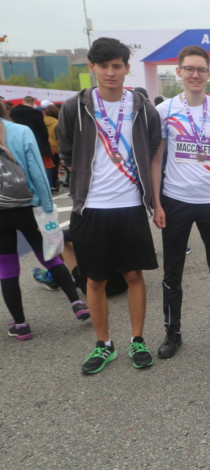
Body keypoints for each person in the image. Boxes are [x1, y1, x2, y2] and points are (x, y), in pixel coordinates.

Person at [58, 37, 162, 374]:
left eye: (117, 66)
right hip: (90, 207)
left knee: (133, 274)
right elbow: (67, 151)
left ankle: (137, 340)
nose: (110, 72)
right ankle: (104, 344)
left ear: (127, 68)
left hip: (130, 205)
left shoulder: (142, 108)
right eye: (103, 66)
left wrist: (155, 201)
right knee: (95, 279)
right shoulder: (75, 107)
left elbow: (152, 149)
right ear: (92, 67)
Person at [152, 45, 210, 359]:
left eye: (201, 69)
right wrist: (157, 203)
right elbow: (156, 160)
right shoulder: (164, 110)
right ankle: (172, 332)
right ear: (179, 72)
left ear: (208, 73)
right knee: (172, 272)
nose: (195, 74)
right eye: (189, 69)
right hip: (175, 200)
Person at [0, 102, 90, 341]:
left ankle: (21, 325)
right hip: (27, 207)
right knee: (48, 255)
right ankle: (77, 303)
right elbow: (38, 172)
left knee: (7, 268)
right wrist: (47, 207)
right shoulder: (20, 131)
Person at [10, 96, 55, 187]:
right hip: (38, 144)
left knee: (24, 168)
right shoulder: (36, 113)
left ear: (23, 101)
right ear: (33, 103)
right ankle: (44, 187)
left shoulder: (13, 112)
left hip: (19, 144)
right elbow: (43, 131)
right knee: (43, 168)